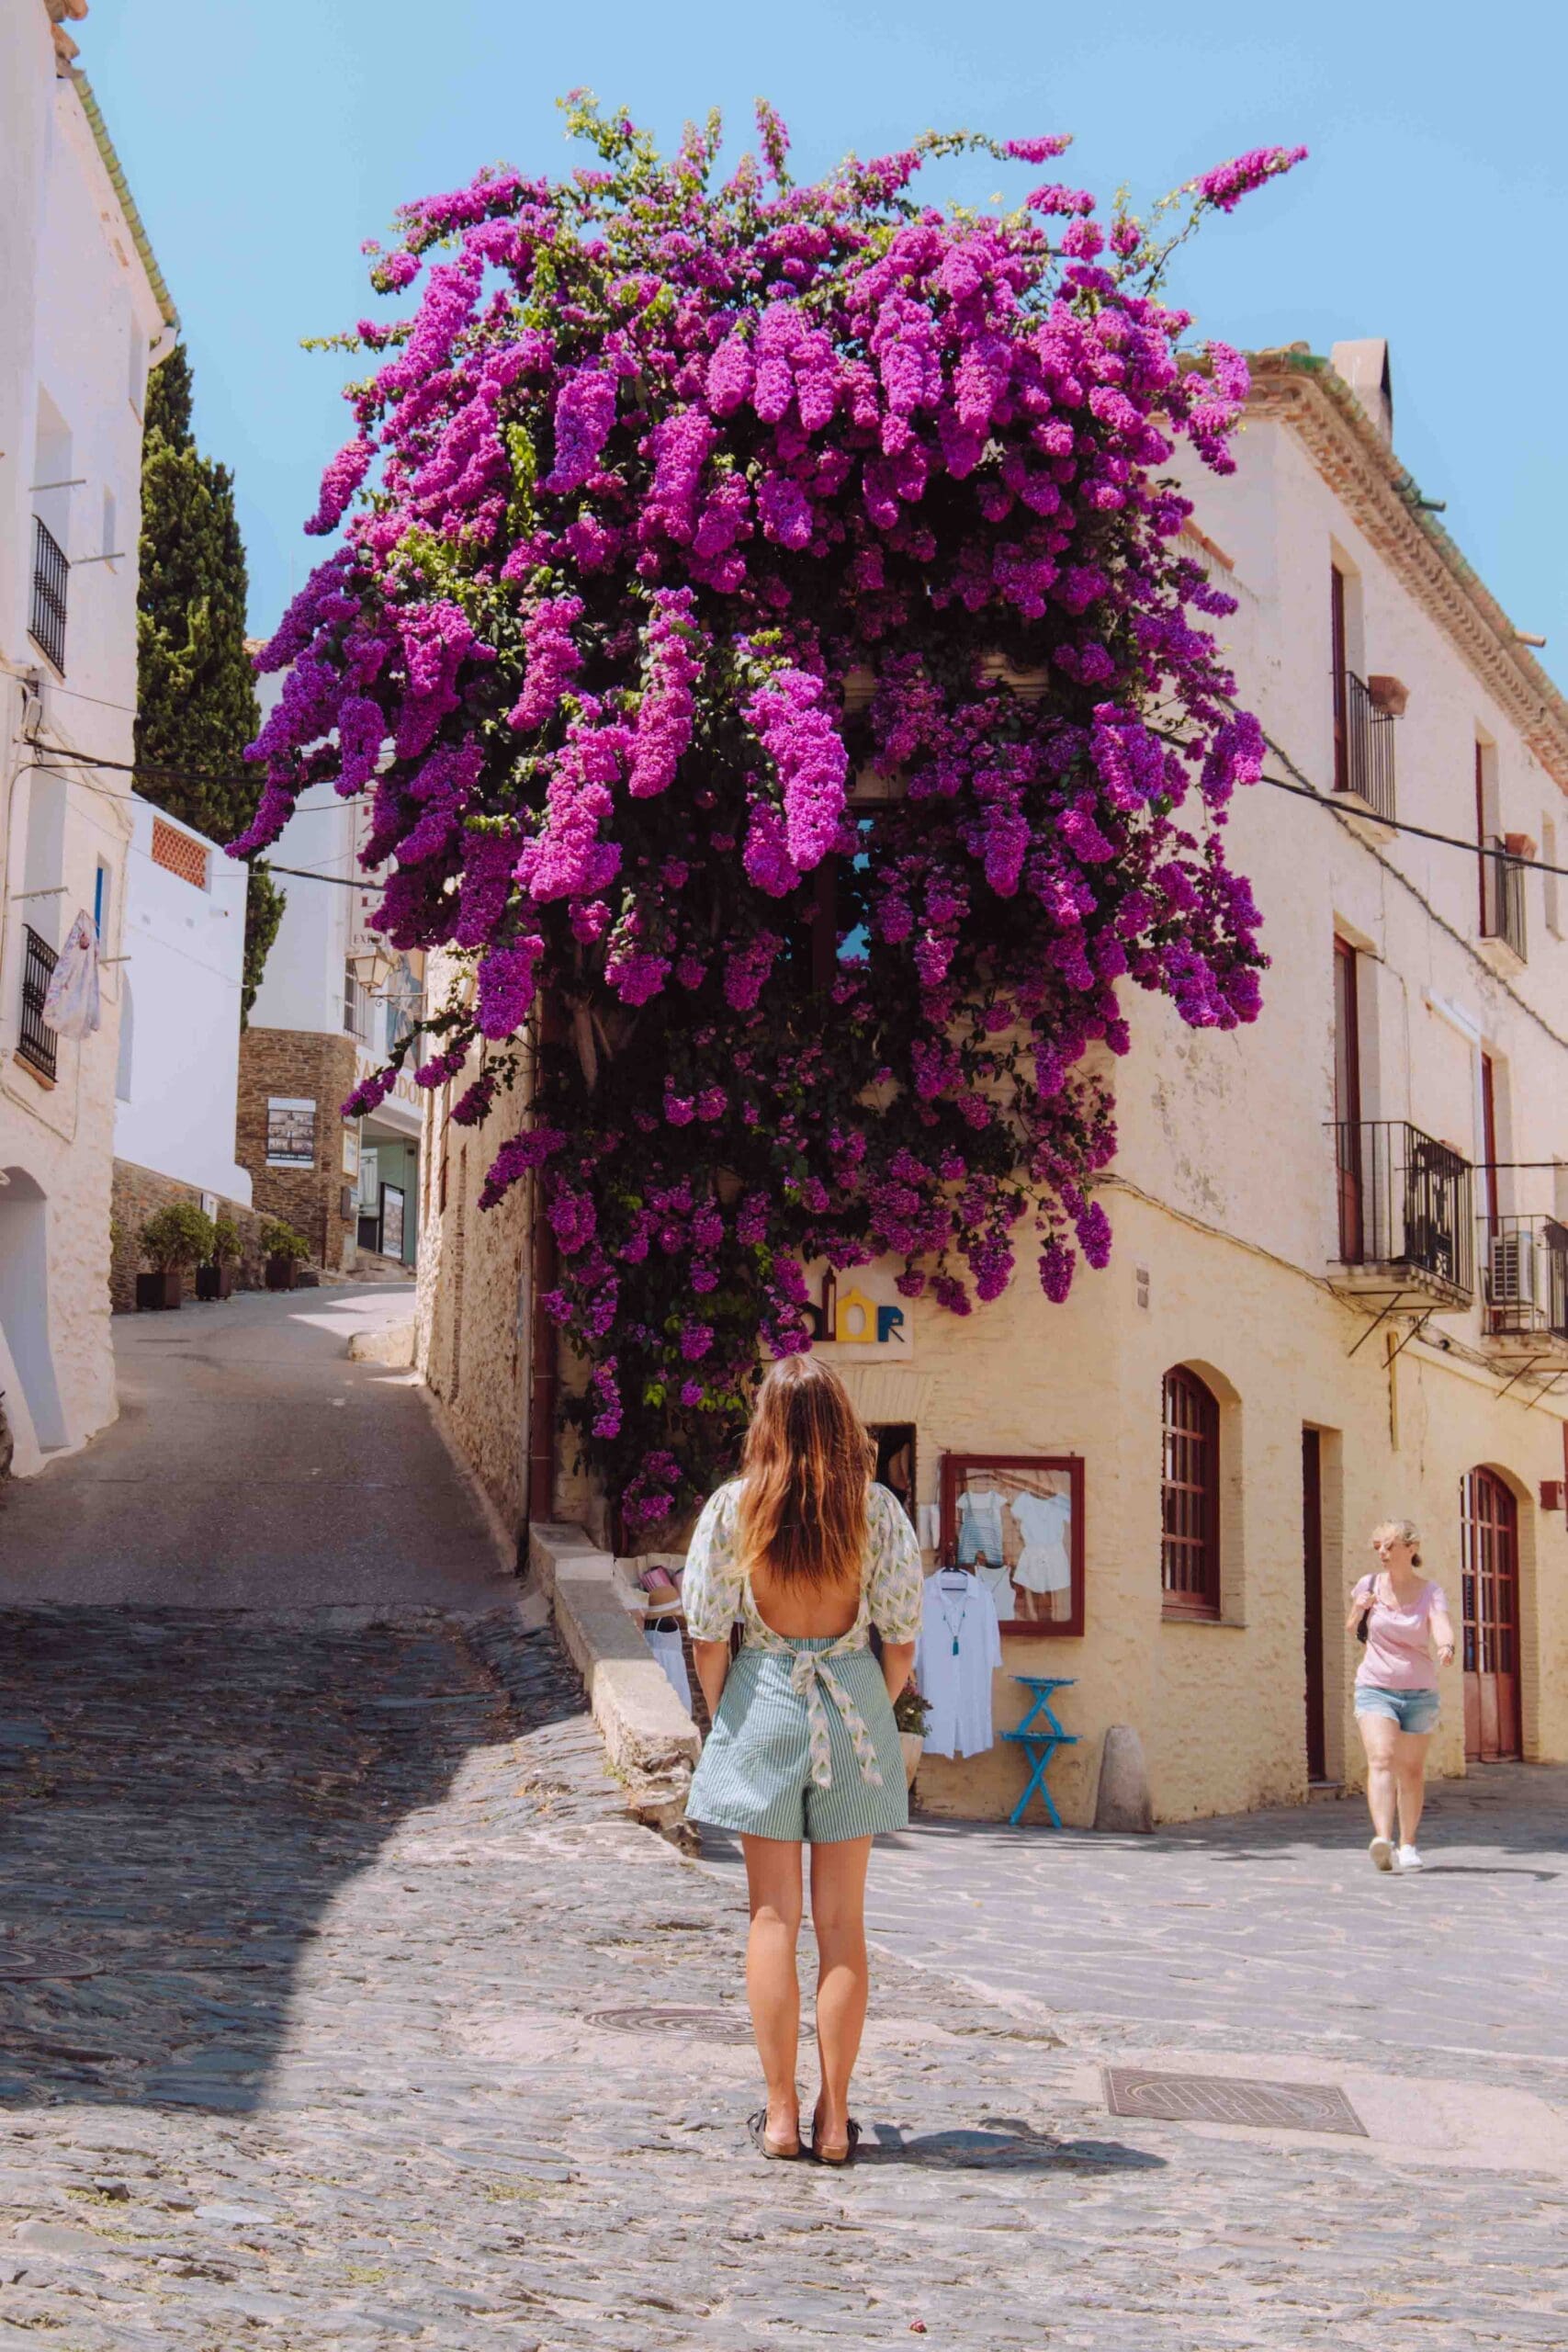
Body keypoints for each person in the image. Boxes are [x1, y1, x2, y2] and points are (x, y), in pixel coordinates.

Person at [682, 1354, 922, 2165]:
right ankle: (834, 2119)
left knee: (771, 1917)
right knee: (843, 1924)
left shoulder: (732, 1509)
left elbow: (709, 1633)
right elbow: (900, 1638)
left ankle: (779, 2113)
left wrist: (730, 1719)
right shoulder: (877, 1512)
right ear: (842, 1422)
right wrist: (871, 1709)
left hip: (762, 1702)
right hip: (852, 1697)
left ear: (767, 1426)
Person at [1347, 1518, 1455, 1873]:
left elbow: (1439, 1621)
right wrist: (1360, 1608)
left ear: (1411, 1548)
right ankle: (1383, 1840)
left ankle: (1408, 1843)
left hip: (1420, 1692)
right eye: (1378, 1545)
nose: (1382, 1552)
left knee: (1410, 1770)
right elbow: (1351, 1628)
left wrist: (1446, 1645)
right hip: (1375, 1687)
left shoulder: (1429, 1591)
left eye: (1389, 1545)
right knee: (1380, 1757)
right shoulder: (1369, 1584)